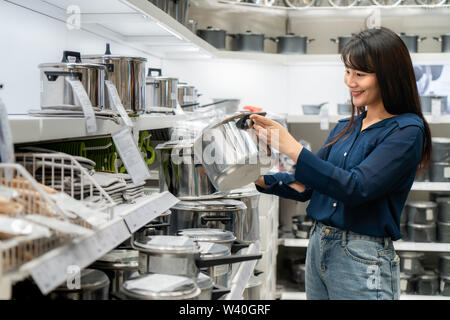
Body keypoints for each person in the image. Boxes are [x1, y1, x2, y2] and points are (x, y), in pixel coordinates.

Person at [250, 27, 432, 300]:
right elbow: (308, 186)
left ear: (389, 76)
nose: (350, 82)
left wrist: (290, 146)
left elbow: (356, 188)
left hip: (362, 256)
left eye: (360, 74)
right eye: (348, 71)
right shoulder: (345, 127)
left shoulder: (406, 131)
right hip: (320, 244)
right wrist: (254, 178)